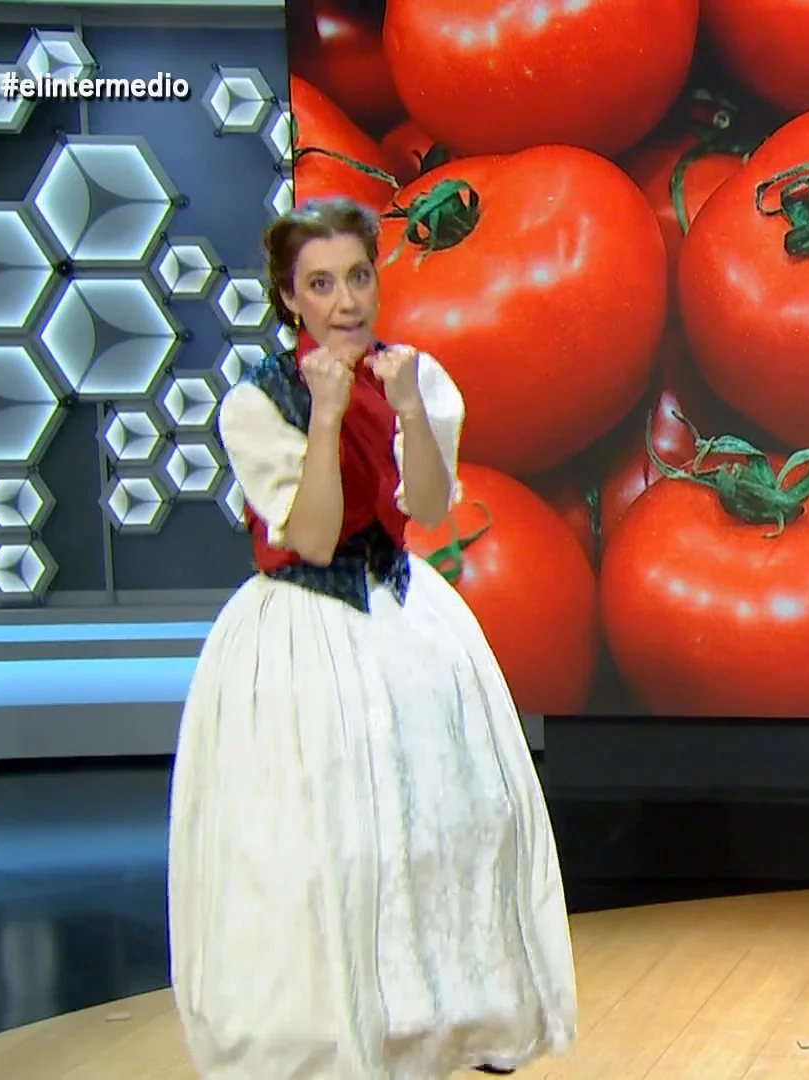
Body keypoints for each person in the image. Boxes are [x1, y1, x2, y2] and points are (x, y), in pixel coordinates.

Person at [167, 197, 577, 1079]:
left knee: (451, 821)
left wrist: (408, 415)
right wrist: (323, 414)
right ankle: (322, 1033)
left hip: (400, 613)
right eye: (321, 284)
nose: (346, 300)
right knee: (324, 840)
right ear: (289, 299)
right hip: (302, 625)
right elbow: (310, 535)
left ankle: (444, 1016)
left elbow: (428, 508)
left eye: (358, 276)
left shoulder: (415, 377)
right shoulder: (255, 402)